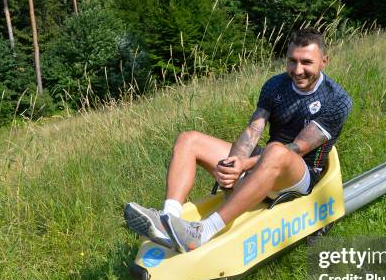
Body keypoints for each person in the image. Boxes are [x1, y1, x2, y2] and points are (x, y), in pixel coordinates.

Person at [124, 28, 353, 253]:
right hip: (264, 162)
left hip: (300, 175)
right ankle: (168, 220)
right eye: (292, 61)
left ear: (324, 61)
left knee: (276, 150)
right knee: (189, 139)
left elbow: (298, 148)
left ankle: (202, 233)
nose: (298, 69)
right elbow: (253, 130)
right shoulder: (276, 85)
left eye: (306, 62)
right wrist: (235, 163)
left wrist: (246, 166)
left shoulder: (337, 100)